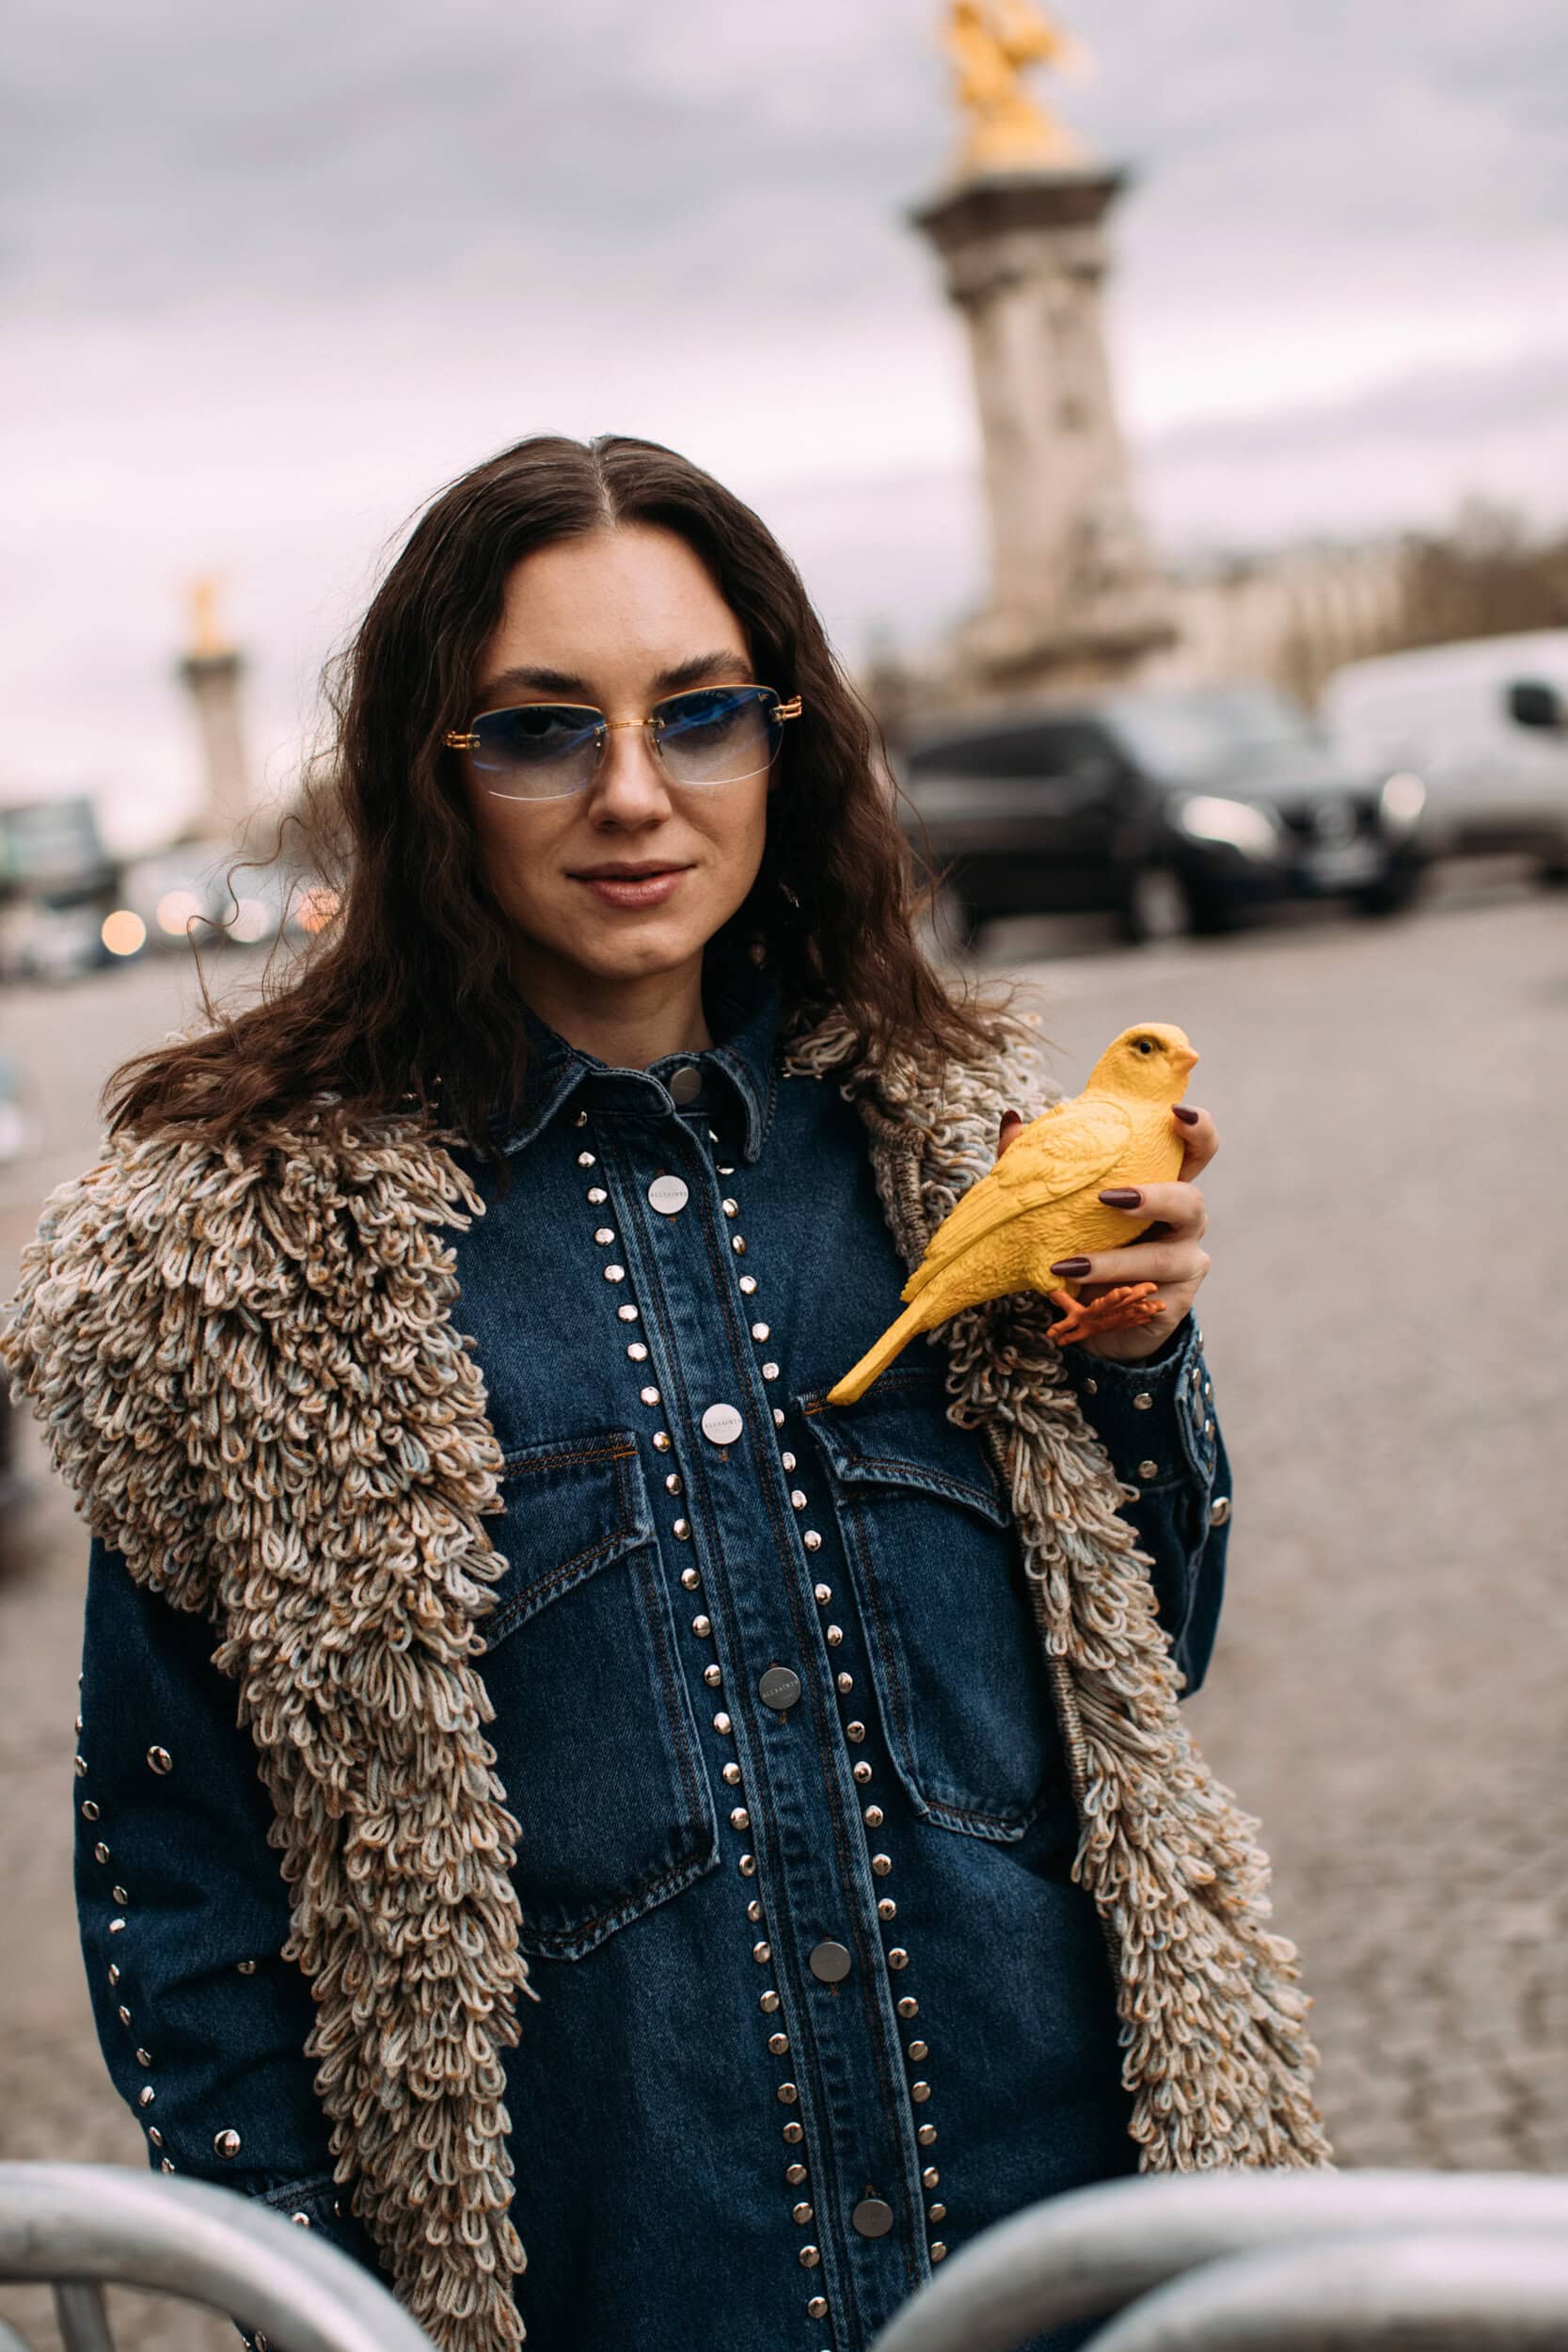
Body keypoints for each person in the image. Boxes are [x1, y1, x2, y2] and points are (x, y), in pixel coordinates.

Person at [2, 434, 1328, 2352]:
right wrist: (310, 2290)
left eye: (699, 713)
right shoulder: (247, 1268)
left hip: (1070, 2261)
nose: (636, 794)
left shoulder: (967, 1158)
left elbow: (1149, 1670)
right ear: (426, 770)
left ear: (786, 739)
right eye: (542, 729)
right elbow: (177, 1858)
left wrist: (1137, 1361)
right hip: (619, 2286)